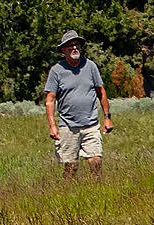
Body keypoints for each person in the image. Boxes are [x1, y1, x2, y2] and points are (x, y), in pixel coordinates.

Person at [44, 31, 112, 178]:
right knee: (71, 167)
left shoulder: (91, 66)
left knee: (96, 161)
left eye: (77, 44)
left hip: (91, 124)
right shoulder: (56, 71)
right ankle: (68, 193)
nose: (75, 48)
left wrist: (107, 117)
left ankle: (97, 192)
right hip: (68, 126)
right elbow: (50, 99)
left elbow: (101, 92)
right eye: (70, 45)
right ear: (63, 50)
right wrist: (52, 126)